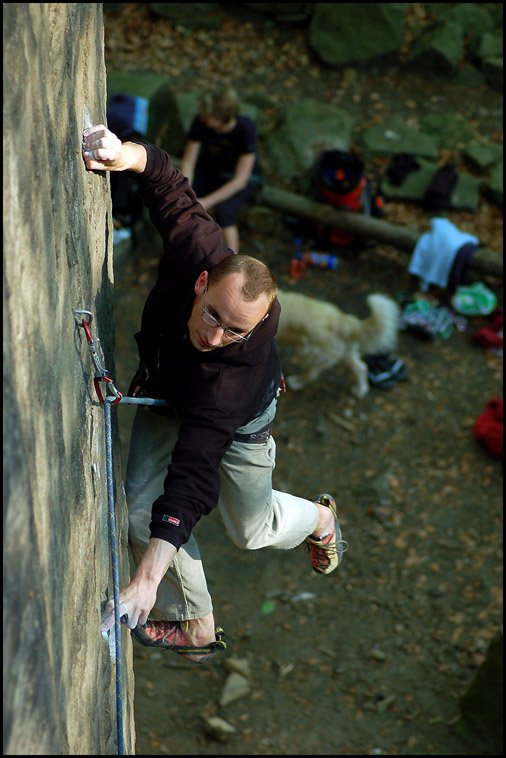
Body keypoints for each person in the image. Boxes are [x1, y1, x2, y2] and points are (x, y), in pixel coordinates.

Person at [82, 124, 347, 664]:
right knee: (138, 512)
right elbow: (169, 185)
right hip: (167, 388)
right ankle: (195, 622)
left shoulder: (228, 378)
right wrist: (122, 153)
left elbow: (193, 475)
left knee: (250, 531)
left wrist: (146, 578)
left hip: (236, 419)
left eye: (234, 332)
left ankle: (320, 520)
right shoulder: (199, 252)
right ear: (202, 281)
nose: (216, 336)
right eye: (213, 317)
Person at [180, 85, 262, 253]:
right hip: (213, 170)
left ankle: (233, 262)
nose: (203, 118)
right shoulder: (200, 122)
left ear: (221, 117)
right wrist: (186, 190)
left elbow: (240, 180)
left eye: (208, 116)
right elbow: (189, 160)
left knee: (224, 212)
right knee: (185, 200)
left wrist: (206, 202)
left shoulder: (246, 129)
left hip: (241, 178)